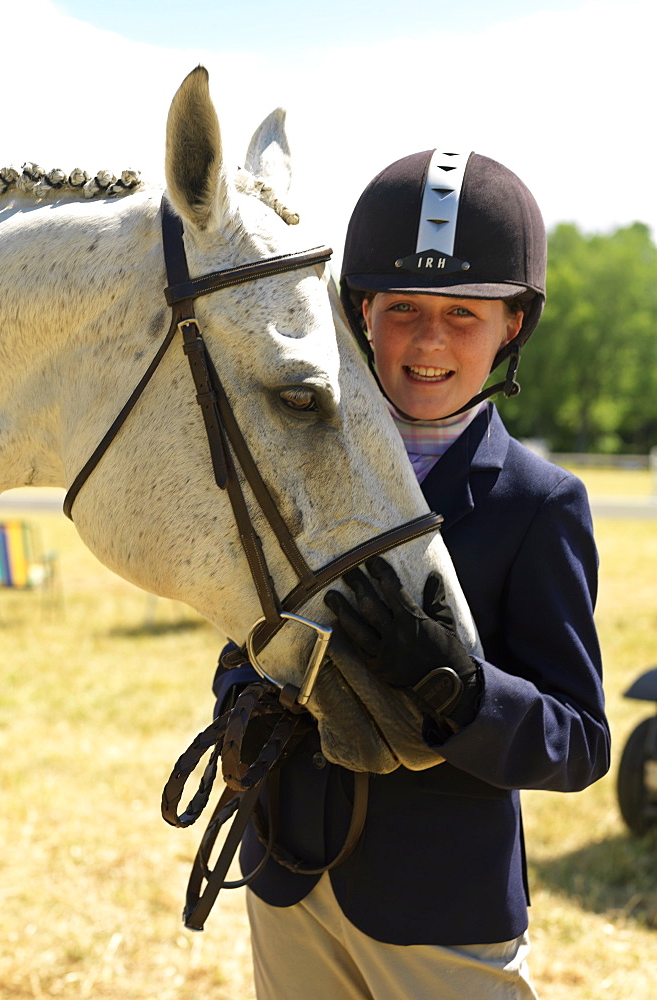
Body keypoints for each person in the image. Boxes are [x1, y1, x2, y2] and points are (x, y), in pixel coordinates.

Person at [212, 149, 610, 1000]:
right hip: (287, 881)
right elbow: (244, 631)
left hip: (439, 913)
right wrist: (241, 693)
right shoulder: (300, 473)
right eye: (404, 310)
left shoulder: (541, 504)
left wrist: (460, 694)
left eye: (463, 314)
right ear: (361, 313)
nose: (429, 340)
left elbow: (579, 741)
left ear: (512, 326)